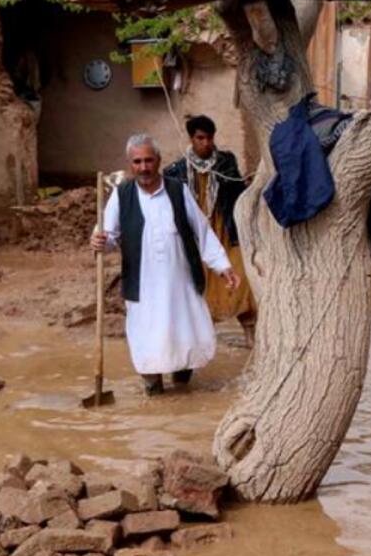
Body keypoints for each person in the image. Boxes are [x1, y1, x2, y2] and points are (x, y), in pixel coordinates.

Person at [90, 134, 240, 396]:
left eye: (149, 160)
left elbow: (202, 231)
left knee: (184, 336)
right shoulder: (121, 195)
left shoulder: (177, 190)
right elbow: (108, 237)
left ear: (158, 161)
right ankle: (153, 388)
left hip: (179, 282)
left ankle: (183, 386)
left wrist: (223, 266)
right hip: (143, 284)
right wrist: (100, 241)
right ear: (130, 164)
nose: (144, 167)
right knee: (147, 338)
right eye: (137, 162)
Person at [163, 115, 258, 346]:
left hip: (225, 230)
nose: (206, 143)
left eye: (209, 137)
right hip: (195, 236)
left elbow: (237, 195)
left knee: (240, 279)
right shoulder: (176, 170)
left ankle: (250, 336)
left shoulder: (225, 163)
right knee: (198, 286)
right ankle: (200, 342)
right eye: (200, 138)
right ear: (191, 139)